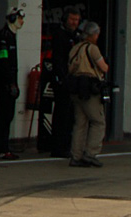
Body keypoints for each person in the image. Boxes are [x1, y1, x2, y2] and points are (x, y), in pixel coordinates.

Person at [67, 21, 109, 168]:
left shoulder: (75, 49)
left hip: (75, 89)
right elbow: (104, 67)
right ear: (92, 34)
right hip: (90, 89)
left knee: (80, 123)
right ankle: (90, 153)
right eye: (96, 34)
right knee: (98, 121)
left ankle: (76, 156)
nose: (98, 36)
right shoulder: (93, 49)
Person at [0, 8, 24, 160]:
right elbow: (2, 62)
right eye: (19, 18)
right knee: (4, 115)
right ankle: (0, 148)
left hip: (10, 81)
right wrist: (10, 83)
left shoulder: (11, 36)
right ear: (11, 19)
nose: (22, 21)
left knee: (8, 115)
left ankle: (3, 147)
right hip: (4, 82)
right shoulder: (3, 37)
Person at [49, 7, 81, 158]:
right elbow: (58, 60)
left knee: (70, 115)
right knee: (61, 114)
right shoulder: (59, 35)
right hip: (62, 80)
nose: (74, 23)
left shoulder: (77, 36)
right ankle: (57, 147)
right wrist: (62, 78)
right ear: (65, 19)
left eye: (76, 20)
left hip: (73, 80)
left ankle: (67, 145)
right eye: (72, 19)